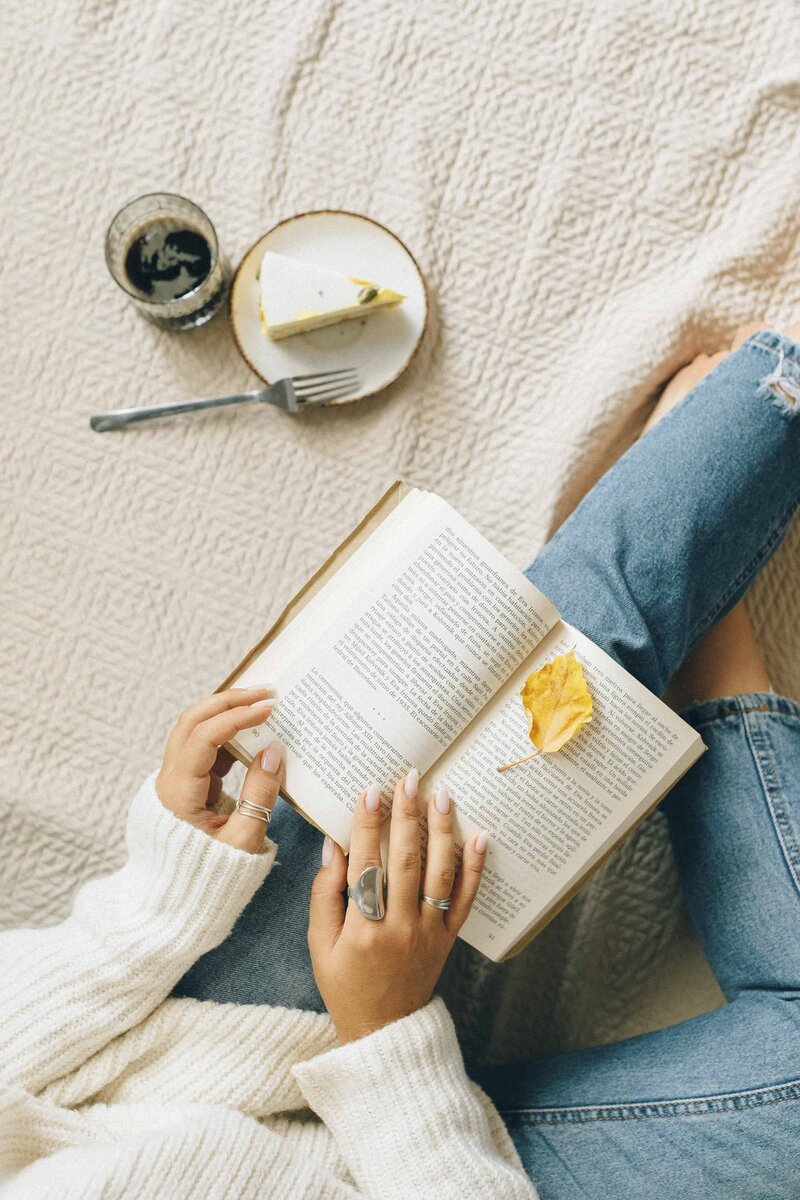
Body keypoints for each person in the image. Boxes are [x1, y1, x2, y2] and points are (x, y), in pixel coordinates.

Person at [2, 324, 798, 1199]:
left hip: (203, 1049)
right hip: (422, 1172)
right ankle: (705, 632)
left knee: (536, 657)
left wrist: (162, 900)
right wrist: (387, 1035)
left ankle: (747, 450)